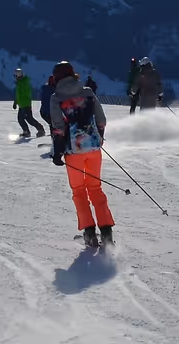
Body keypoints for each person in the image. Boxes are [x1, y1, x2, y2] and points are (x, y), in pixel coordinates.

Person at [46, 61, 116, 246]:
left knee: (79, 191)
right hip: (93, 148)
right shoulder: (87, 92)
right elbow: (101, 120)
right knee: (95, 188)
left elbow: (58, 128)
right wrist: (98, 138)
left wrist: (57, 152)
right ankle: (107, 232)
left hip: (73, 151)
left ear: (57, 78)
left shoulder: (56, 98)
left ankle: (90, 233)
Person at [13, 68, 46, 138]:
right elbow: (18, 94)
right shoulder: (20, 82)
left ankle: (40, 129)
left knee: (29, 119)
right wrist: (16, 102)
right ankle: (26, 132)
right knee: (21, 119)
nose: (15, 78)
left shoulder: (24, 82)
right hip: (22, 104)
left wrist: (20, 102)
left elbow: (25, 94)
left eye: (15, 76)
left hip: (25, 104)